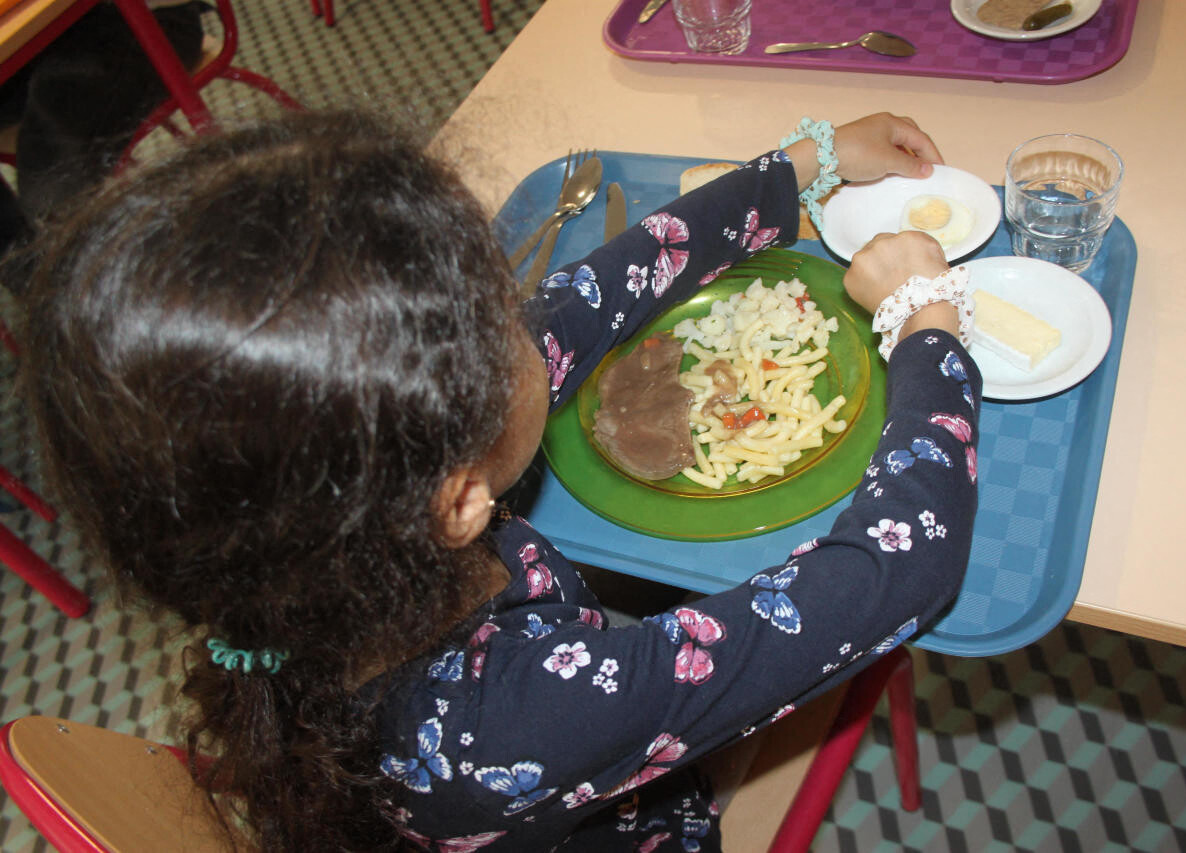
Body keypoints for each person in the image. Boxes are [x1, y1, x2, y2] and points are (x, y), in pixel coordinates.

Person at [16, 107, 981, 852]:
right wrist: (922, 313)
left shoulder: (289, 542)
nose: (529, 319)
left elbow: (604, 286)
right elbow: (905, 570)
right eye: (497, 318)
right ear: (460, 499)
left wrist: (805, 161)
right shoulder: (527, 713)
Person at [0, 0, 206, 263]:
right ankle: (33, 275)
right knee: (46, 231)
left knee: (52, 172)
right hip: (28, 41)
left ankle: (78, 269)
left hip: (136, 18)